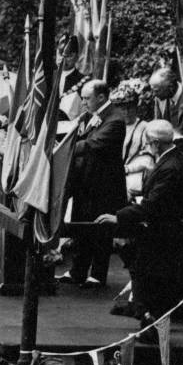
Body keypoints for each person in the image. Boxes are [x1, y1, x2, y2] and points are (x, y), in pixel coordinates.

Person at [97, 118, 183, 330]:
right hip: (163, 232)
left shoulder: (170, 167)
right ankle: (148, 316)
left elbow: (154, 205)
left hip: (162, 236)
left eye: (147, 143)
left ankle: (151, 321)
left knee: (150, 279)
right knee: (147, 276)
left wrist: (119, 217)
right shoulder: (177, 159)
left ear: (155, 143)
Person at [64, 79, 129, 290]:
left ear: (101, 97)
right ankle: (78, 271)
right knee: (81, 224)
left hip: (105, 185)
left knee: (101, 230)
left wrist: (66, 147)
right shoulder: (90, 115)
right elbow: (80, 133)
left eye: (87, 98)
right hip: (85, 181)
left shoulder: (116, 119)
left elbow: (94, 144)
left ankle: (98, 275)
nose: (83, 102)